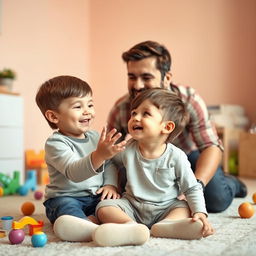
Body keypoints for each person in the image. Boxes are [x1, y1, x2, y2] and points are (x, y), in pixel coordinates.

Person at [107, 40, 247, 213]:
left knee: (215, 199)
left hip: (189, 157)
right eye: (132, 77)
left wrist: (197, 184)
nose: (137, 85)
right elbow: (109, 154)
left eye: (146, 77)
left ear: (166, 78)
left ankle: (232, 183)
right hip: (145, 160)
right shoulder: (121, 108)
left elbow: (211, 146)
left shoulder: (189, 100)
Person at [92, 88, 214, 247]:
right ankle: (130, 226)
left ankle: (167, 225)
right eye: (134, 113)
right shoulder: (127, 148)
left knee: (184, 208)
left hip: (165, 207)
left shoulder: (176, 156)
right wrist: (111, 184)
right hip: (132, 205)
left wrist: (199, 212)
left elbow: (191, 188)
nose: (136, 117)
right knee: (103, 207)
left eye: (145, 114)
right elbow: (110, 162)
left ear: (167, 127)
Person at [35, 75, 126, 242]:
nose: (88, 111)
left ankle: (124, 226)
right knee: (67, 209)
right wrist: (100, 155)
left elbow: (110, 162)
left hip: (96, 196)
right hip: (66, 197)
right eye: (78, 106)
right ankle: (89, 228)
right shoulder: (56, 143)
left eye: (90, 104)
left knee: (114, 206)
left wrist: (110, 184)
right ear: (54, 117)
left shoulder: (95, 136)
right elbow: (73, 172)